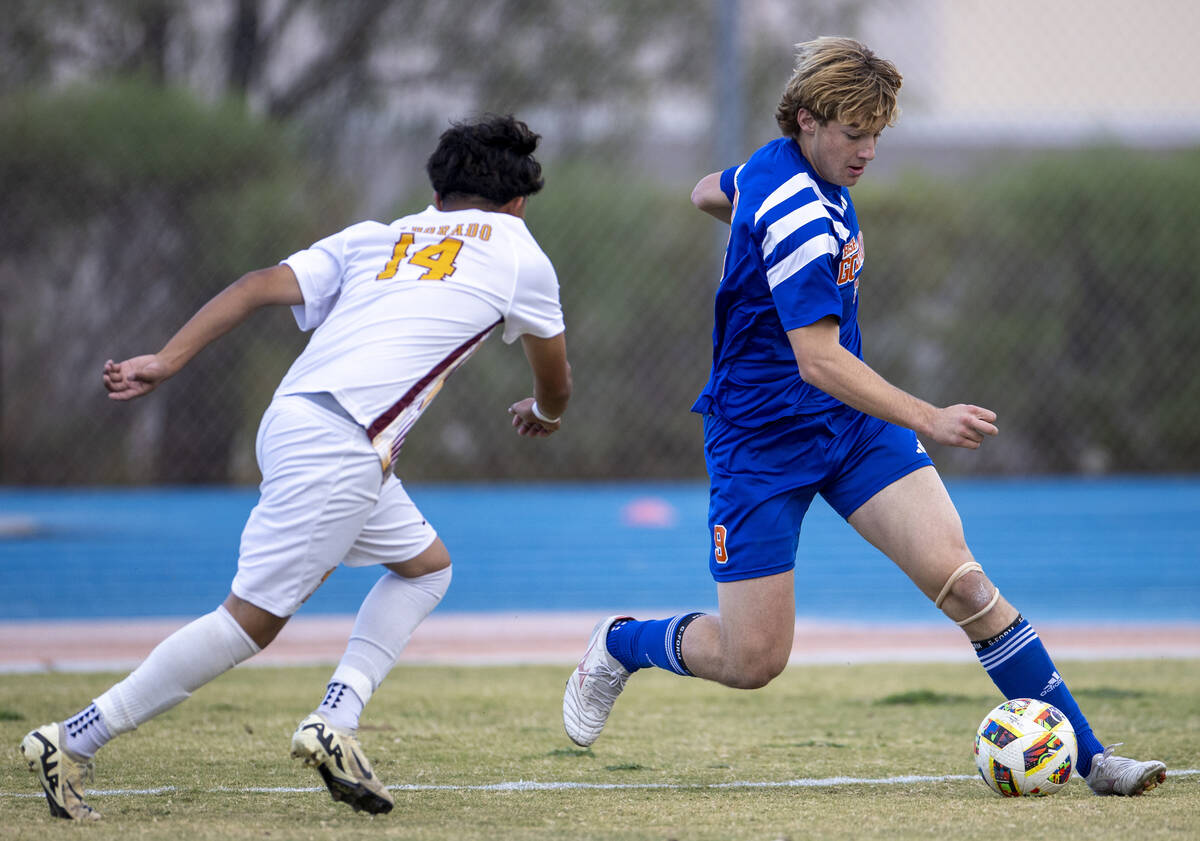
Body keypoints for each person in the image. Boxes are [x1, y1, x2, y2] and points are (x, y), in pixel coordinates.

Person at [562, 37, 1166, 797]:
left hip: (850, 428)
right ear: (807, 122)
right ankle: (621, 643)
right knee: (754, 660)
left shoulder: (773, 171)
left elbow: (705, 192)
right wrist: (930, 416)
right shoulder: (797, 215)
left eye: (877, 133)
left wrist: (750, 231)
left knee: (966, 586)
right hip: (761, 442)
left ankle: (1094, 758)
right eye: (854, 133)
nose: (869, 150)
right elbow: (817, 360)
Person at [20, 114, 572, 820]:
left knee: (427, 566)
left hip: (298, 419)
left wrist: (166, 359)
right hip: (344, 444)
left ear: (436, 193)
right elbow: (555, 382)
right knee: (249, 621)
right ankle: (71, 738)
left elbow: (255, 285)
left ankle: (335, 719)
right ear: (520, 201)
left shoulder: (379, 235)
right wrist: (544, 415)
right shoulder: (522, 252)